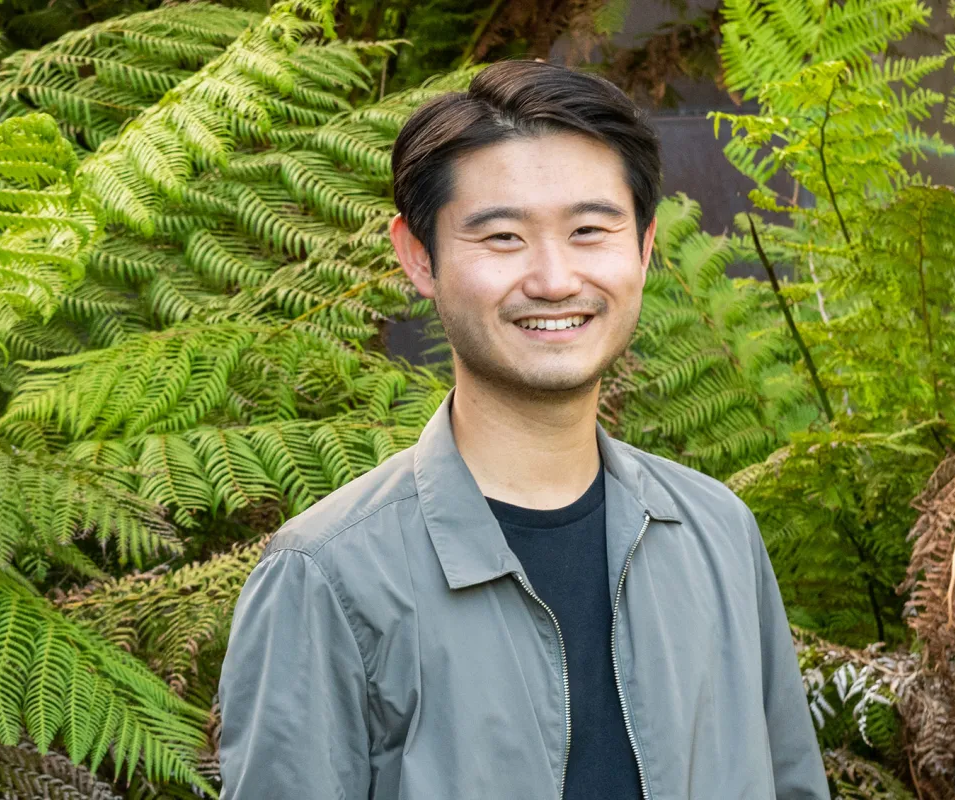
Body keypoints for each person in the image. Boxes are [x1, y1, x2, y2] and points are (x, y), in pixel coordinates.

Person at [214, 60, 829, 799]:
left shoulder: (716, 533)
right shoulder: (330, 576)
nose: (554, 279)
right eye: (503, 237)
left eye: (590, 230)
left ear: (642, 247)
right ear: (419, 256)